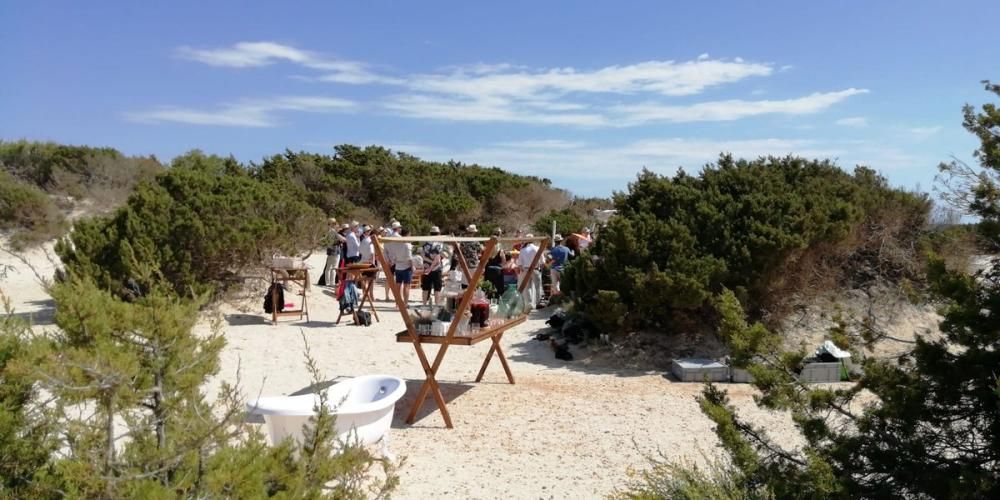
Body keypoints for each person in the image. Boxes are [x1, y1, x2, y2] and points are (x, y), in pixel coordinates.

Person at [387, 228, 413, 303]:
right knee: (406, 286)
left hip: (398, 267)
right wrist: (412, 267)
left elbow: (394, 257)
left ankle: (397, 303)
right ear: (407, 235)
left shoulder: (397, 244)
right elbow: (409, 258)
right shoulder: (407, 245)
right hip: (406, 267)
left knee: (398, 286)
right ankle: (405, 303)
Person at [421, 226, 444, 305]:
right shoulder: (439, 244)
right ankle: (437, 305)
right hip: (436, 269)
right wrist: (432, 266)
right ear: (438, 234)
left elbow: (423, 256)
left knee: (425, 288)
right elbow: (437, 259)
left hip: (426, 268)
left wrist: (429, 264)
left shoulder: (425, 243)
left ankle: (424, 304)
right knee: (437, 289)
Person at [517, 234, 542, 308]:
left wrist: (522, 270)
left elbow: (520, 263)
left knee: (527, 287)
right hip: (535, 269)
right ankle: (538, 303)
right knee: (538, 287)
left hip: (525, 269)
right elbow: (542, 261)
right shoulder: (537, 248)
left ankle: (530, 303)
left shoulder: (522, 250)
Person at [320, 218, 345, 287]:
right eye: (335, 224)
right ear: (333, 224)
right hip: (335, 251)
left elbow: (323, 240)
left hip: (329, 251)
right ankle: (332, 283)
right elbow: (342, 239)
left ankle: (327, 282)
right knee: (334, 267)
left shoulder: (328, 231)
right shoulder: (334, 232)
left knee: (328, 267)